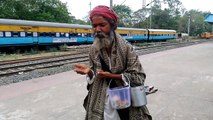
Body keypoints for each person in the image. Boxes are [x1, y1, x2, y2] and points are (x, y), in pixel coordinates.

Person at [74, 5, 152, 120]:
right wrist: (89, 72)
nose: (97, 29)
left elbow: (139, 77)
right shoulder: (93, 49)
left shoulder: (126, 48)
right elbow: (95, 77)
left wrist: (113, 76)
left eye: (102, 25)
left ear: (112, 25)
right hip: (101, 103)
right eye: (94, 26)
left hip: (125, 102)